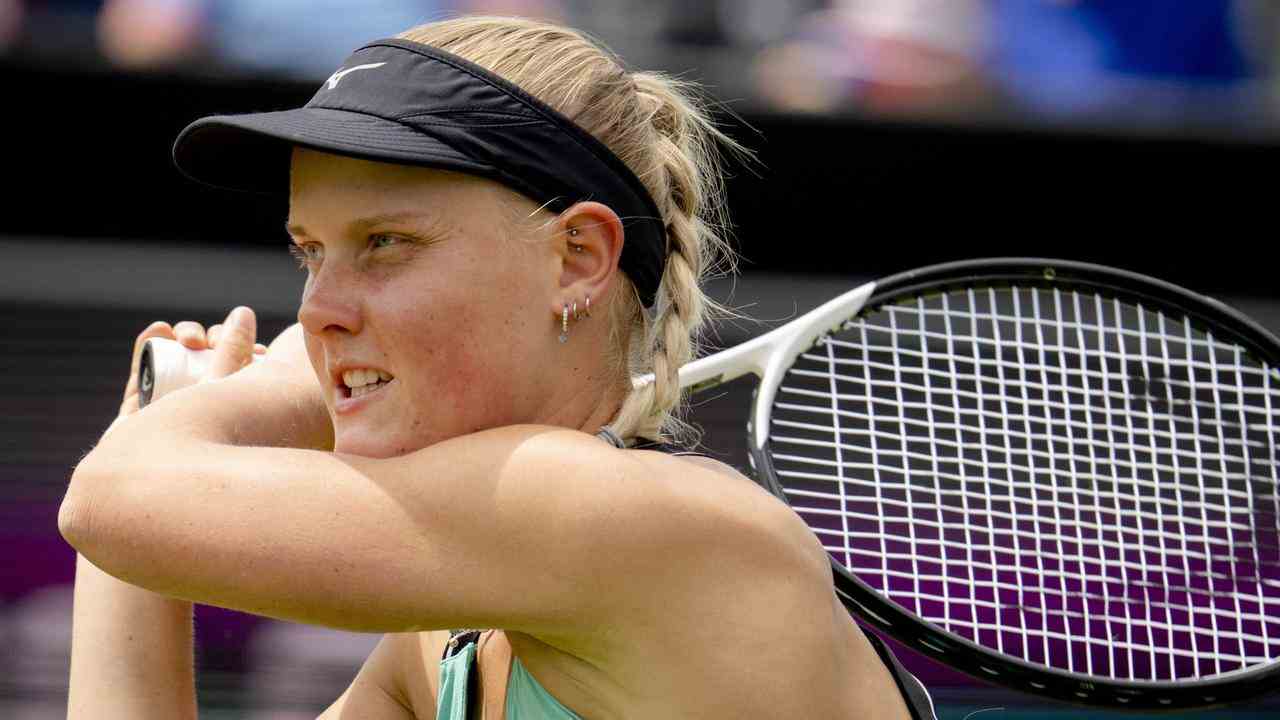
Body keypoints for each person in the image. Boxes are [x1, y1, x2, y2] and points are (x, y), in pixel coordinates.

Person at [59, 15, 936, 719]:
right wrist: (141, 441)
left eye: (386, 244)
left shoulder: (645, 523)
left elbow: (110, 500)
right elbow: (112, 508)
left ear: (578, 258)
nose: (321, 309)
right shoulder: (447, 633)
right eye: (310, 254)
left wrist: (275, 391)